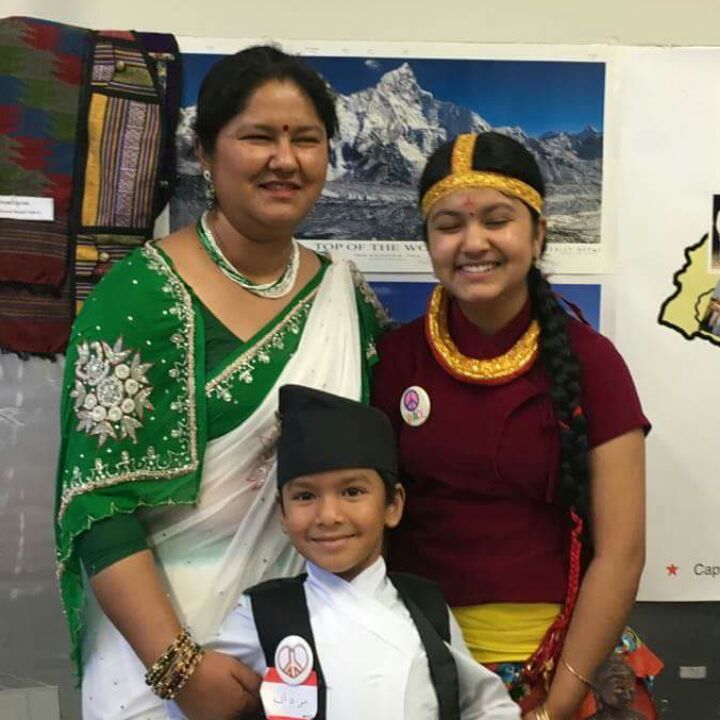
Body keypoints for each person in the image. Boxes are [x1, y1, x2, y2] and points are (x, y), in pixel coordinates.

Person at [54, 46, 389, 720]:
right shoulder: (141, 296)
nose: (284, 160)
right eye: (258, 137)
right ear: (205, 153)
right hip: (158, 658)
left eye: (306, 139)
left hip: (308, 640)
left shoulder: (344, 299)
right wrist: (179, 668)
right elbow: (99, 506)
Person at [371, 132, 661, 720]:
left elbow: (622, 553)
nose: (472, 243)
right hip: (416, 668)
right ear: (427, 241)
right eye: (448, 225)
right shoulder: (394, 360)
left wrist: (555, 706)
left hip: (561, 669)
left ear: (538, 233)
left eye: (497, 220)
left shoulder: (593, 363)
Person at [211, 383, 521, 720]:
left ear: (393, 505)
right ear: (282, 514)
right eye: (304, 496)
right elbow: (200, 701)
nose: (328, 516)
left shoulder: (426, 605)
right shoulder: (263, 612)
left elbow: (487, 705)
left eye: (352, 491)